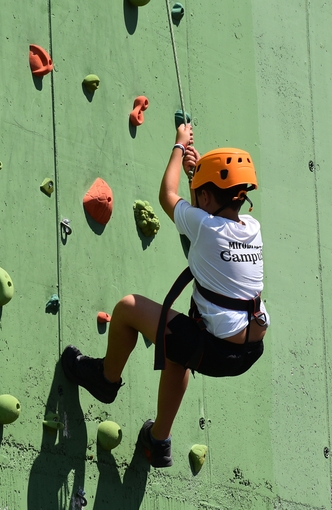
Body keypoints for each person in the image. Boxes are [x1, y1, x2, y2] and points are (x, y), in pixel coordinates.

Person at [61, 124, 269, 468]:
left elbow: (167, 196)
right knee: (177, 348)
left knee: (128, 309)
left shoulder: (204, 225)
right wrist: (199, 177)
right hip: (248, 349)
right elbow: (204, 219)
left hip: (214, 349)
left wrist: (178, 146)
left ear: (204, 197)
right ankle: (158, 441)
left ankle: (104, 379)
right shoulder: (252, 227)